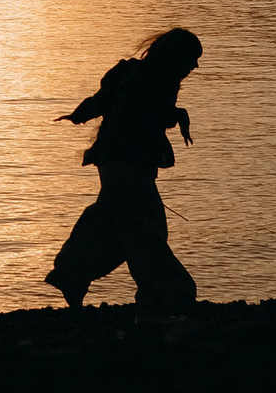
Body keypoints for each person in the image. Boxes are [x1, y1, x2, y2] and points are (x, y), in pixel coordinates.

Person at [45, 27, 202, 310]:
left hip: (114, 159)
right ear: (176, 57)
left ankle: (72, 272)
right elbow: (147, 112)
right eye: (192, 59)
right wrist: (179, 115)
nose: (194, 67)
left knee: (113, 224)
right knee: (145, 229)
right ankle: (166, 293)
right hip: (128, 162)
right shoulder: (157, 79)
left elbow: (103, 101)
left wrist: (79, 114)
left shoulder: (131, 72)